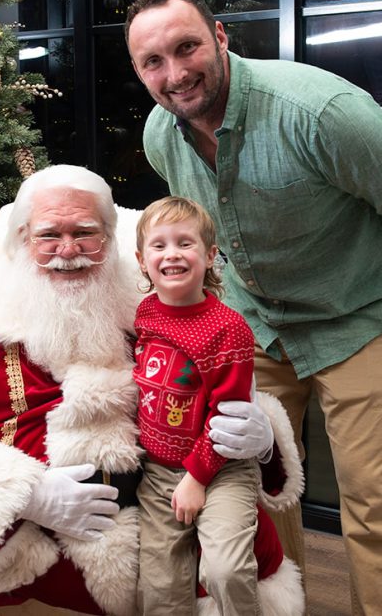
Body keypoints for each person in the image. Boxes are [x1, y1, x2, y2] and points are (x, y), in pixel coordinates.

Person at [0, 165, 304, 616]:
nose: (68, 252)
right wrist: (26, 495)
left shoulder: (155, 307)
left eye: (85, 234)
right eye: (49, 235)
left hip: (152, 513)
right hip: (22, 537)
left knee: (251, 539)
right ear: (22, 242)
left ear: (110, 242)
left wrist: (263, 439)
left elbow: (218, 396)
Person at [125, 0, 382, 615]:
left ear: (219, 37)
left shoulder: (321, 112)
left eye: (187, 47)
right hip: (254, 329)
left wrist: (354, 266)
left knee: (372, 501)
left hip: (354, 322)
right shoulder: (162, 134)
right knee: (265, 489)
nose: (175, 73)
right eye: (152, 62)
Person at [133, 196, 259, 615]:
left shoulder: (228, 329)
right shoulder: (146, 313)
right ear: (141, 259)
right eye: (159, 245)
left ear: (208, 256)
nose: (171, 254)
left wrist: (197, 479)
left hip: (219, 469)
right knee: (159, 589)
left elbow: (229, 419)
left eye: (184, 244)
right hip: (157, 474)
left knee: (226, 571)